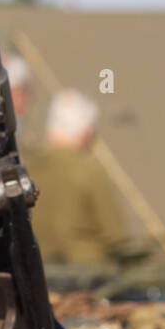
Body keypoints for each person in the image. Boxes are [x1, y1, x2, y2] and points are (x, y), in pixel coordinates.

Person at [25, 89, 128, 266]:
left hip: (36, 272)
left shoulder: (25, 168)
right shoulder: (90, 171)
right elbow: (115, 236)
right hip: (87, 276)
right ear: (87, 131)